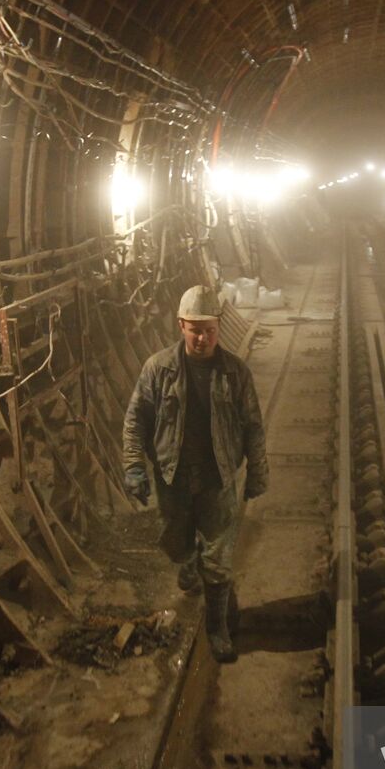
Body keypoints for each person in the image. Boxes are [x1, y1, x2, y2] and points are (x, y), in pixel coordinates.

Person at [122, 284, 269, 662]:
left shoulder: (234, 373)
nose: (202, 338)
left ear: (218, 328)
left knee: (218, 557)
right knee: (177, 543)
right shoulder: (158, 369)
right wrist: (134, 466)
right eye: (195, 329)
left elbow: (253, 425)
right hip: (172, 477)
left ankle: (217, 628)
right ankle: (190, 563)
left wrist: (257, 471)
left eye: (209, 330)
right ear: (180, 325)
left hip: (218, 477)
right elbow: (136, 420)